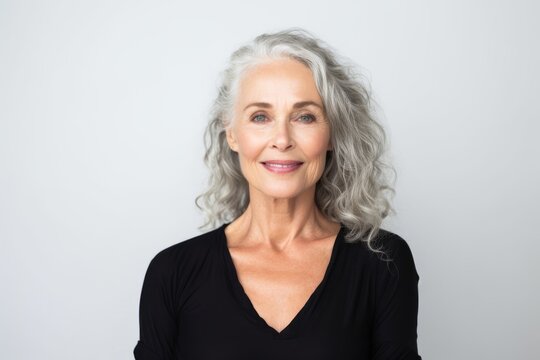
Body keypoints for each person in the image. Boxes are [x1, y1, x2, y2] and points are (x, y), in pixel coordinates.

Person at [134, 28, 421, 360]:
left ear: (331, 135)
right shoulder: (172, 273)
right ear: (232, 135)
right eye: (260, 117)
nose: (282, 139)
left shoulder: (382, 263)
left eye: (304, 117)